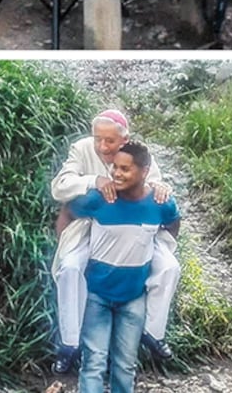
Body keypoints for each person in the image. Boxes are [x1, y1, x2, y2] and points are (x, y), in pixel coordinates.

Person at [50, 111, 180, 373]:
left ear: (125, 140)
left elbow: (154, 185)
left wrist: (161, 188)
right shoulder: (82, 149)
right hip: (89, 226)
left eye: (110, 141)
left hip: (137, 228)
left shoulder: (139, 155)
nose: (102, 147)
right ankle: (69, 343)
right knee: (70, 268)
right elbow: (60, 188)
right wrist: (94, 181)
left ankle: (154, 334)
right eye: (98, 139)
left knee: (169, 267)